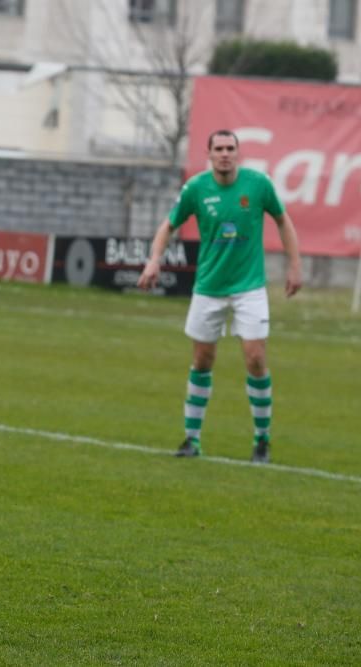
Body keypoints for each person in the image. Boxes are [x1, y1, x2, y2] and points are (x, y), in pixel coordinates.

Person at [137, 129, 301, 464]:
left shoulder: (258, 185)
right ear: (209, 153)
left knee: (255, 358)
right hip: (208, 288)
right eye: (219, 149)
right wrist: (154, 260)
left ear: (238, 153)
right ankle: (192, 440)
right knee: (202, 361)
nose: (225, 154)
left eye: (230, 148)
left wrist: (294, 265)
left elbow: (283, 221)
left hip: (249, 287)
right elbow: (168, 226)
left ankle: (262, 441)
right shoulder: (196, 189)